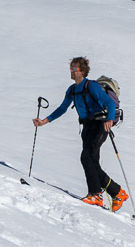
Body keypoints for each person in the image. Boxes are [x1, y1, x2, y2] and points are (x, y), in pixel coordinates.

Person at [32, 56, 129, 211]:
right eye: (71, 68)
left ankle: (96, 194)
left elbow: (110, 103)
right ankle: (117, 192)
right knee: (92, 162)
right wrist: (45, 121)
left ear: (82, 71)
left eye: (74, 69)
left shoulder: (92, 86)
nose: (71, 71)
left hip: (100, 125)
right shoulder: (72, 90)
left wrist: (109, 120)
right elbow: (62, 108)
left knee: (86, 157)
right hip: (86, 126)